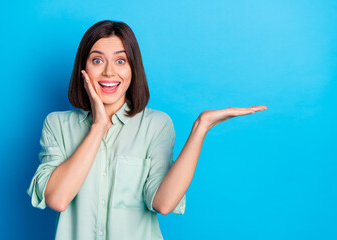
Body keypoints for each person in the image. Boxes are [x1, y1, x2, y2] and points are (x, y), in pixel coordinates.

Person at [27, 20, 267, 240]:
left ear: (133, 68)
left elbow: (163, 203)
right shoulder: (57, 124)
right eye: (97, 60)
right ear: (83, 69)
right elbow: (57, 199)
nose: (109, 72)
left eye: (121, 61)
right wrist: (99, 126)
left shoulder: (156, 125)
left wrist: (200, 127)